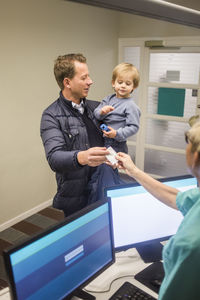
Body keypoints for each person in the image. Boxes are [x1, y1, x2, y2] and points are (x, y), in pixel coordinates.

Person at [115, 121, 200, 300]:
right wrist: (134, 171)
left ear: (196, 157)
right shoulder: (197, 197)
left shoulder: (191, 245)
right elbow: (176, 198)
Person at [40, 53, 112, 217]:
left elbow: (112, 138)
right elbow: (54, 158)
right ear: (67, 82)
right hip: (76, 197)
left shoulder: (97, 108)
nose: (90, 81)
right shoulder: (50, 116)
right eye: (84, 77)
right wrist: (83, 157)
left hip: (103, 187)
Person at [94, 62, 141, 153]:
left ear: (133, 87)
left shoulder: (131, 106)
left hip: (117, 144)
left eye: (127, 84)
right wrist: (102, 112)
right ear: (113, 83)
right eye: (120, 82)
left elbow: (134, 127)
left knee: (113, 166)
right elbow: (96, 113)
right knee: (101, 165)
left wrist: (116, 133)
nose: (123, 85)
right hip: (102, 140)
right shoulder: (108, 99)